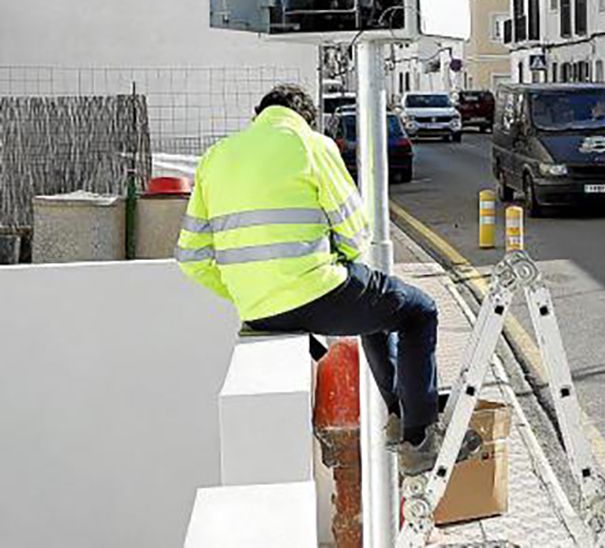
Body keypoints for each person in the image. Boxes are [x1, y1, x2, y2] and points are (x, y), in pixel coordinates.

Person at [175, 84, 472, 475]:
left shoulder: (215, 157)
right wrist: (341, 265)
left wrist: (247, 290)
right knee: (418, 311)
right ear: (306, 117)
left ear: (258, 113)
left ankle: (401, 414)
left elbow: (190, 257)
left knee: (377, 313)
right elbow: (355, 230)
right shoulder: (311, 144)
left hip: (258, 312)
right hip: (316, 293)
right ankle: (419, 439)